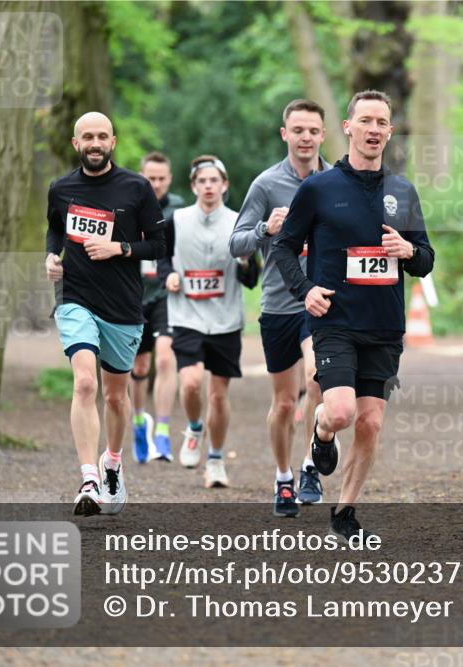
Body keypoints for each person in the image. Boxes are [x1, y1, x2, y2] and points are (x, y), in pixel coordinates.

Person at [270, 90, 435, 538]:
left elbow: (425, 259)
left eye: (382, 122)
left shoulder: (402, 190)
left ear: (390, 131)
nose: (374, 130)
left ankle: (344, 514)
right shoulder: (319, 188)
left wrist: (408, 251)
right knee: (340, 412)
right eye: (365, 121)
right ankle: (322, 433)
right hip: (335, 320)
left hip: (384, 325)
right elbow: (285, 247)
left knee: (371, 421)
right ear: (348, 128)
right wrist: (305, 291)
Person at [45, 111, 166, 516]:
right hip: (75, 298)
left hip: (122, 307)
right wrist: (50, 255)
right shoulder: (61, 188)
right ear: (76, 144)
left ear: (112, 141)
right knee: (84, 384)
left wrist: (121, 248)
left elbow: (159, 245)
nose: (94, 143)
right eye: (87, 137)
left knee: (116, 395)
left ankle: (112, 462)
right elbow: (54, 229)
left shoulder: (136, 187)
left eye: (102, 136)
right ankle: (88, 478)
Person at [230, 99, 332, 518]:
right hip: (277, 305)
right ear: (285, 134)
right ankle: (283, 477)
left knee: (316, 376)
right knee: (285, 403)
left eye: (313, 130)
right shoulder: (266, 184)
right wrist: (264, 228)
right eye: (298, 130)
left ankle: (311, 466)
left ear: (323, 135)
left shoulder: (337, 183)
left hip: (322, 301)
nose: (306, 137)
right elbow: (235, 243)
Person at [158, 155, 249, 489]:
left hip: (225, 319)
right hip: (186, 315)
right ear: (193, 186)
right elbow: (160, 254)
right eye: (202, 181)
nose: (208, 187)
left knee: (220, 396)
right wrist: (167, 275)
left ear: (224, 186)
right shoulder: (177, 220)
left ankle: (216, 459)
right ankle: (195, 427)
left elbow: (252, 277)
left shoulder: (239, 222)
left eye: (215, 181)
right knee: (193, 382)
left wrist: (245, 261)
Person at [131, 151, 185, 463]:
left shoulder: (179, 209)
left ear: (170, 179)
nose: (157, 184)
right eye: (151, 178)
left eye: (162, 178)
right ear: (142, 176)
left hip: (166, 293)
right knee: (139, 367)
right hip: (133, 294)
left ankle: (163, 431)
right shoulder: (129, 205)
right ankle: (140, 423)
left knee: (165, 360)